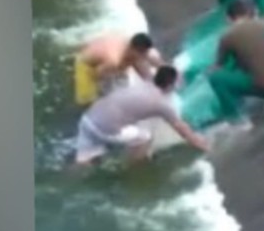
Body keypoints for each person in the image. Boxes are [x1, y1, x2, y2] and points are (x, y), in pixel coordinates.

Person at [73, 65, 208, 166]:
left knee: (83, 162)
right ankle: (135, 168)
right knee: (145, 137)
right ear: (169, 85)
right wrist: (199, 143)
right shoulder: (161, 104)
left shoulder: (144, 84)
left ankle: (71, 175)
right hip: (106, 129)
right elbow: (181, 128)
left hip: (88, 119)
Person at [207, 0, 264, 123]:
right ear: (247, 13)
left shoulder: (228, 36)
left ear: (229, 18)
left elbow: (219, 65)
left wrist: (209, 70)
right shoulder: (263, 24)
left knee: (215, 78)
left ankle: (235, 120)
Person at [73, 32, 163, 106]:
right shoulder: (114, 60)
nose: (144, 56)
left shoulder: (133, 49)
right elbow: (96, 75)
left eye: (145, 53)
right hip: (87, 65)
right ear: (134, 49)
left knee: (126, 81)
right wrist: (102, 93)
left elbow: (146, 71)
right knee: (88, 101)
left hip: (105, 49)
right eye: (142, 53)